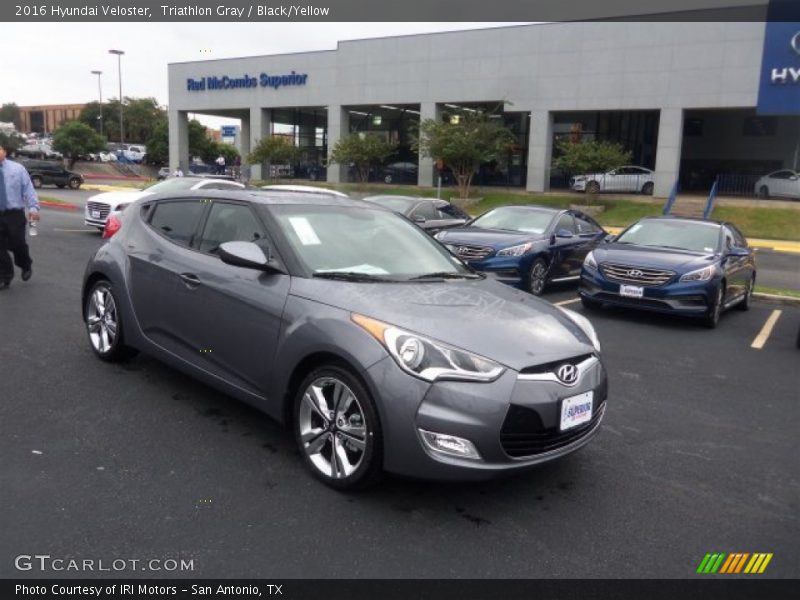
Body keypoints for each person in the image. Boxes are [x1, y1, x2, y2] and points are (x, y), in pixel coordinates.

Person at [0, 142, 40, 290]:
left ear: (4, 151)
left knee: (18, 243)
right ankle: (5, 276)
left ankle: (25, 264)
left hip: (14, 214)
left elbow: (28, 190)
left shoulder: (17, 169)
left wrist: (34, 208)